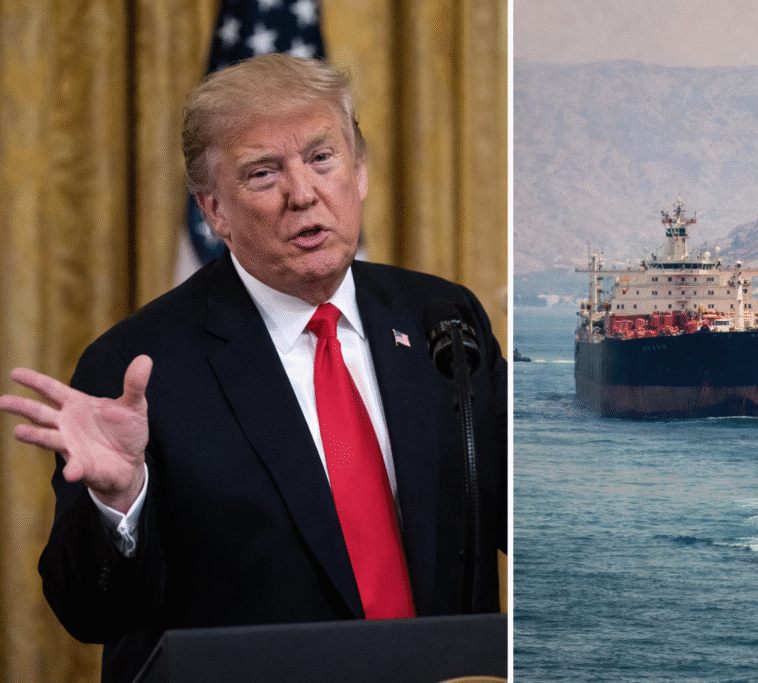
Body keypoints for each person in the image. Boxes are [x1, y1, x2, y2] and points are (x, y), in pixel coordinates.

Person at [0, 53, 506, 682]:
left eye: (322, 159)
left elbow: (523, 516)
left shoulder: (443, 319)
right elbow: (91, 613)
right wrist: (120, 501)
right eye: (263, 174)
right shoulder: (137, 366)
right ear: (213, 210)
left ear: (361, 173)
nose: (303, 193)